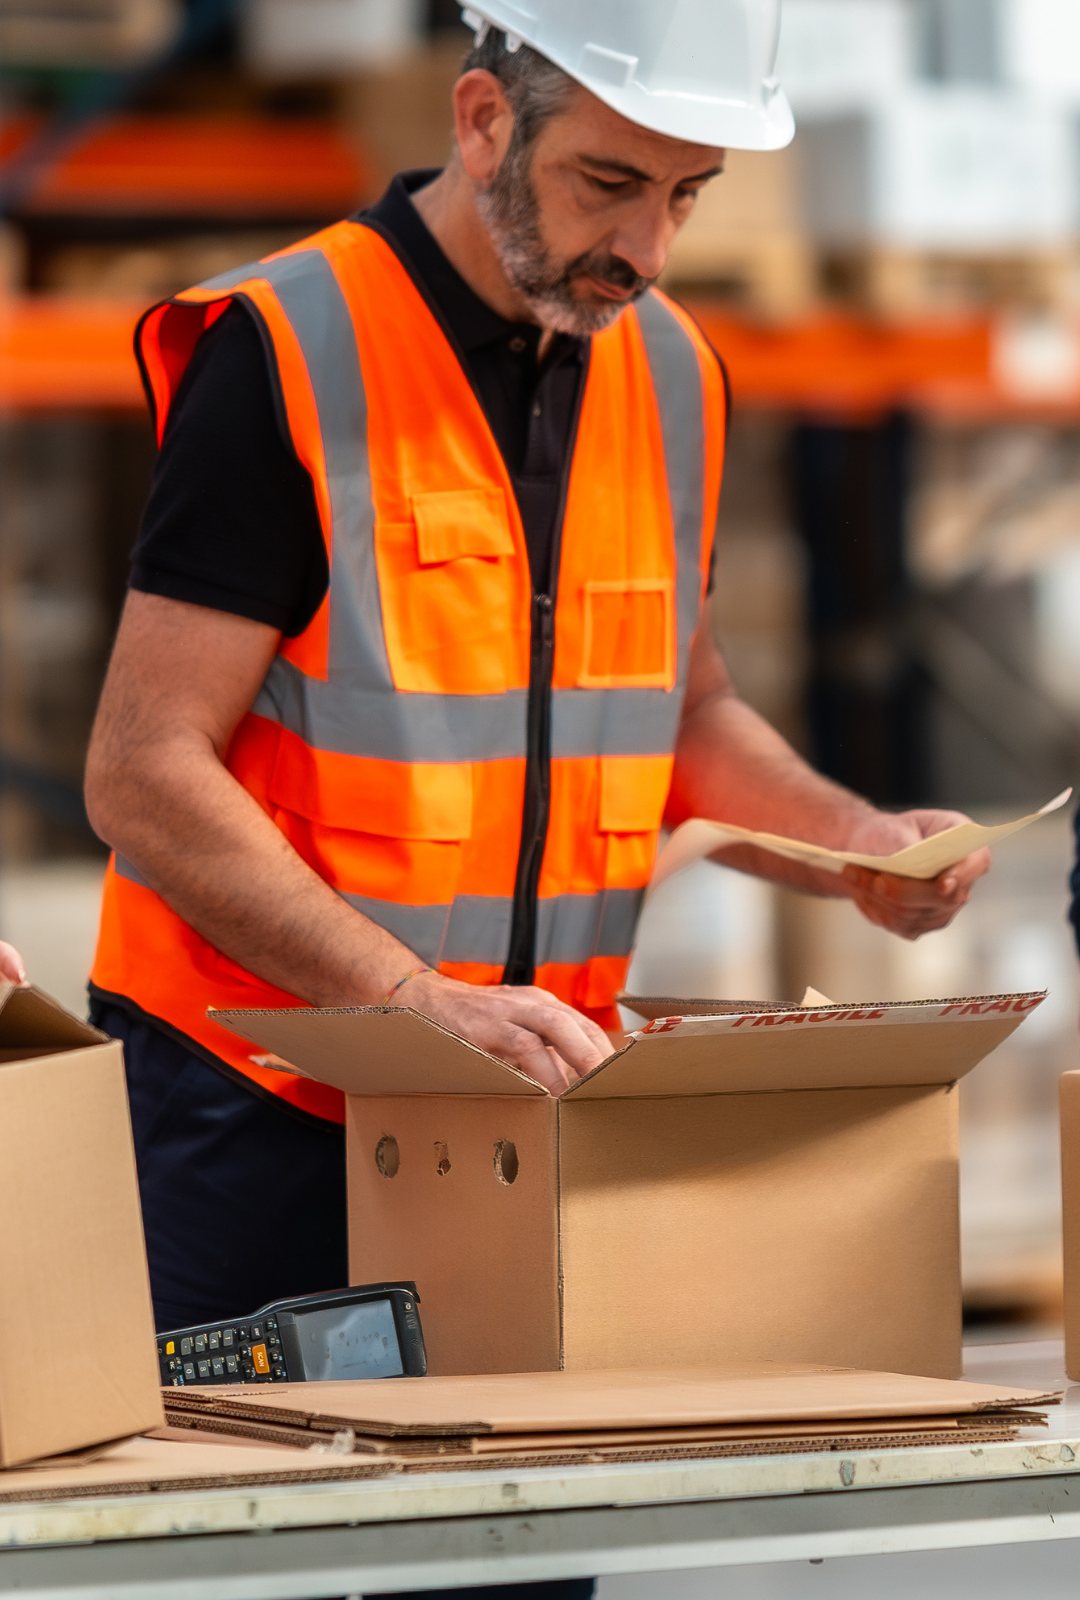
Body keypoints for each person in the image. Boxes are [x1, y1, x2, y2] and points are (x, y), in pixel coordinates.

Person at [83, 5, 989, 1593]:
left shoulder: (675, 374)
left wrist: (846, 841)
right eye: (608, 184)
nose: (646, 247)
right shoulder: (285, 350)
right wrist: (407, 998)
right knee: (245, 1569)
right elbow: (143, 771)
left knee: (511, 1567)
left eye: (688, 196)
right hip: (256, 1109)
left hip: (523, 1118)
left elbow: (681, 708)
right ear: (484, 119)